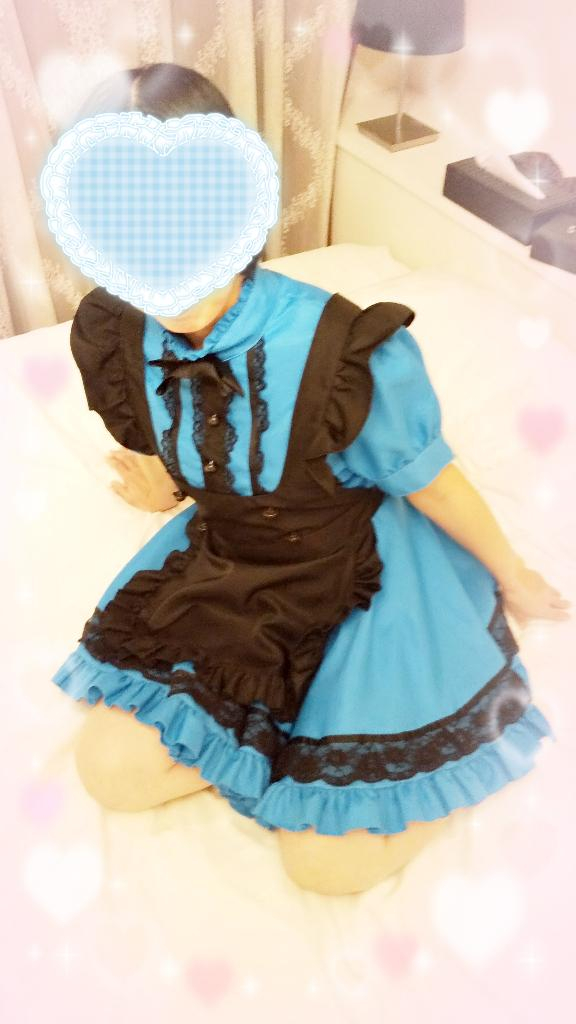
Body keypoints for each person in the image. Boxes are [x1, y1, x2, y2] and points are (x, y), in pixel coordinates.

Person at [51, 62, 571, 897]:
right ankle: (267, 753)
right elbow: (173, 431)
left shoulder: (344, 352)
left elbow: (431, 478)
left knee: (325, 865)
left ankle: (408, 782)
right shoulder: (117, 331)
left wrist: (512, 576)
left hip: (361, 572)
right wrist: (166, 487)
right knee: (110, 771)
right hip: (233, 565)